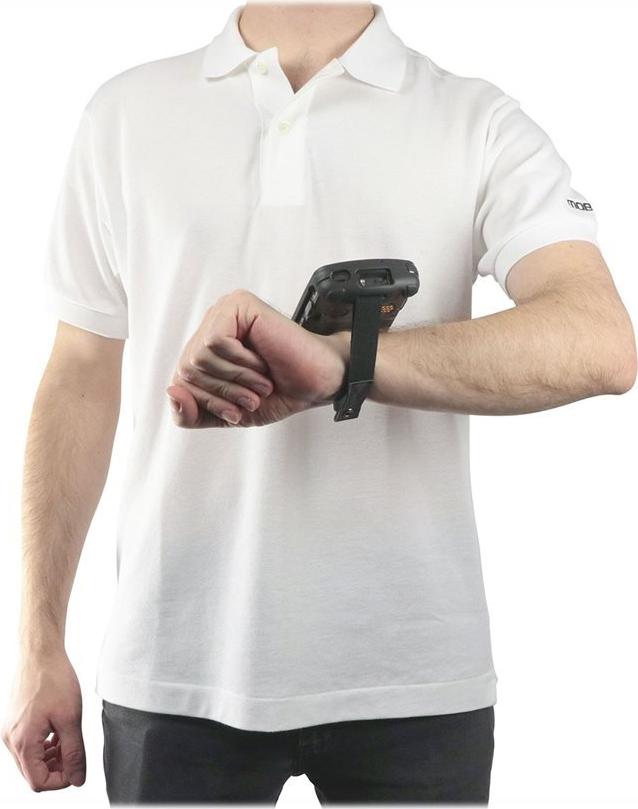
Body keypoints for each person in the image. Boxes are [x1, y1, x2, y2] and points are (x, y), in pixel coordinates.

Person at [2, 0, 636, 805]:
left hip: (414, 674)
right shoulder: (124, 114)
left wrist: (343, 363)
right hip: (175, 665)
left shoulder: (476, 121)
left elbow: (600, 340)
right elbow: (77, 374)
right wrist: (38, 642)